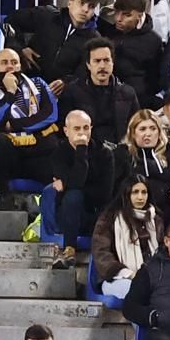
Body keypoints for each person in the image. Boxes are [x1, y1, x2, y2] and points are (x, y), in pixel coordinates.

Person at [0, 48, 62, 194]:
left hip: (38, 150)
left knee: (54, 142)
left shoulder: (38, 84)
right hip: (8, 154)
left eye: (14, 62)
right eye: (4, 62)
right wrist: (10, 94)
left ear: (20, 66)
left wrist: (13, 125)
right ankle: (5, 195)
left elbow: (50, 114)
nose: (10, 66)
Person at [49, 109, 115, 271]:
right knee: (73, 196)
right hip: (68, 215)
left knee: (74, 193)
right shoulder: (59, 153)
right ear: (66, 131)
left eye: (86, 128)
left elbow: (104, 193)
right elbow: (77, 184)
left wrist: (68, 183)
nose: (82, 133)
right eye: (77, 129)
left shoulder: (104, 153)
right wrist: (81, 151)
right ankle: (69, 249)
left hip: (96, 213)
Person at [7, 0, 102, 88]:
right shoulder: (46, 15)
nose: (85, 9)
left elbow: (85, 71)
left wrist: (66, 82)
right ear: (69, 2)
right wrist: (20, 48)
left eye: (91, 6)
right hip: (26, 83)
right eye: (81, 3)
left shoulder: (94, 39)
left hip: (63, 95)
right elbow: (11, 20)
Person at [58, 39, 139, 149]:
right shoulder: (72, 92)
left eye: (106, 60)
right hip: (85, 152)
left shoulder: (127, 93)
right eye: (97, 61)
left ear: (113, 63)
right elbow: (63, 129)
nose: (102, 66)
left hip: (120, 153)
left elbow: (136, 127)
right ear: (88, 65)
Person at [92, 175, 162, 299]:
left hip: (152, 279)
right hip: (116, 279)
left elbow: (163, 251)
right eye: (135, 192)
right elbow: (101, 254)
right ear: (126, 194)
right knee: (139, 292)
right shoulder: (109, 218)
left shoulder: (156, 220)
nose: (140, 197)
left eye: (144, 192)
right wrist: (129, 274)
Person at [98, 0, 163, 104]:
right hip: (103, 95)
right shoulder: (105, 31)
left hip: (138, 100)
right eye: (117, 12)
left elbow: (155, 80)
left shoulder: (154, 41)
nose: (118, 19)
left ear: (140, 15)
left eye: (126, 15)